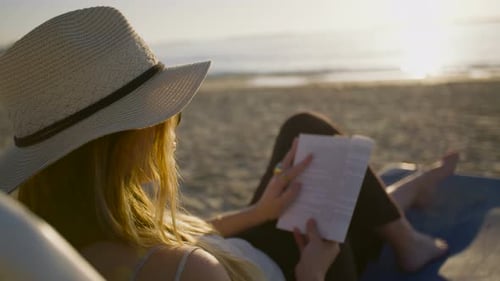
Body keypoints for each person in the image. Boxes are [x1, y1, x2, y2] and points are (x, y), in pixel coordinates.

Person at [0, 6, 459, 281]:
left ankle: (408, 201)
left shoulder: (46, 243)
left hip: (247, 248)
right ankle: (407, 225)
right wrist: (314, 272)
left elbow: (177, 232)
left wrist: (259, 214)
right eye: (162, 115)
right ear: (121, 140)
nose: (171, 128)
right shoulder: (191, 273)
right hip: (287, 269)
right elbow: (181, 252)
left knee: (305, 138)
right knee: (333, 211)